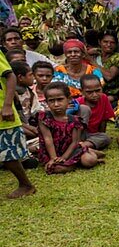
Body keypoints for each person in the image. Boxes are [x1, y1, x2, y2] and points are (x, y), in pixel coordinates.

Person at [36, 82, 102, 174]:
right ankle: (76, 161)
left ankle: (92, 153)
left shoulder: (75, 121)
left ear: (69, 99)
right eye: (51, 101)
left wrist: (64, 158)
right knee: (54, 168)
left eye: (60, 100)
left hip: (70, 151)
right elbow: (48, 139)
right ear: (46, 102)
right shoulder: (44, 118)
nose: (56, 104)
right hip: (52, 152)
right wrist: (53, 158)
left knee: (89, 161)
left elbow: (74, 142)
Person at [0, 50, 34, 197]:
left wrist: (7, 105)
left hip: (2, 113)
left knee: (8, 154)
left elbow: (10, 76)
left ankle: (26, 184)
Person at [74, 74, 113, 152]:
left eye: (98, 90)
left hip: (92, 135)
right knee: (84, 109)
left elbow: (104, 120)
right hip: (78, 135)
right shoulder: (77, 103)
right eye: (89, 92)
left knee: (105, 138)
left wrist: (101, 135)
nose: (94, 94)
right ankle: (78, 144)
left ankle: (81, 146)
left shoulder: (104, 98)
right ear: (81, 91)